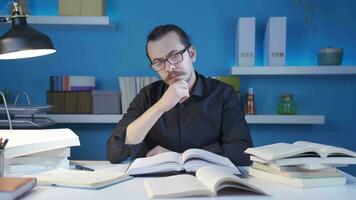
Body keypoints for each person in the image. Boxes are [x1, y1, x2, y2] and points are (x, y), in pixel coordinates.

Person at [106, 24, 253, 166]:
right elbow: (115, 152)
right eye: (158, 63)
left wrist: (179, 157)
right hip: (157, 184)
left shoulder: (223, 93)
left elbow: (243, 151)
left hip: (207, 182)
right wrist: (160, 107)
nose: (169, 67)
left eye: (175, 56)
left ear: (192, 54)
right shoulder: (147, 95)